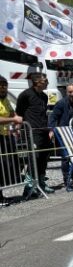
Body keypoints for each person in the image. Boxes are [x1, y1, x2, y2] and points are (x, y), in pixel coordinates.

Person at [16, 72, 55, 193]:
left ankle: (41, 182)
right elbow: (19, 112)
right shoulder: (25, 95)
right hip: (32, 131)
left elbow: (44, 114)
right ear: (37, 82)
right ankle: (29, 186)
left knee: (44, 156)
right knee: (34, 158)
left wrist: (49, 129)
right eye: (45, 81)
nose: (47, 82)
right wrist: (18, 128)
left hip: (43, 130)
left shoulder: (44, 96)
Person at [49, 84, 73, 184]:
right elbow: (53, 117)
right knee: (66, 157)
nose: (72, 94)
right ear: (67, 92)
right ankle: (67, 178)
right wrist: (51, 130)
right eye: (70, 92)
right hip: (63, 133)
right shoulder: (61, 103)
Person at [0, 75, 23, 203]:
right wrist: (13, 120)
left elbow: (14, 115)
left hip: (5, 136)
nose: (3, 88)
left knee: (8, 165)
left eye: (5, 85)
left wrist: (17, 126)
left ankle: (1, 194)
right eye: (1, 86)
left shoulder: (6, 100)